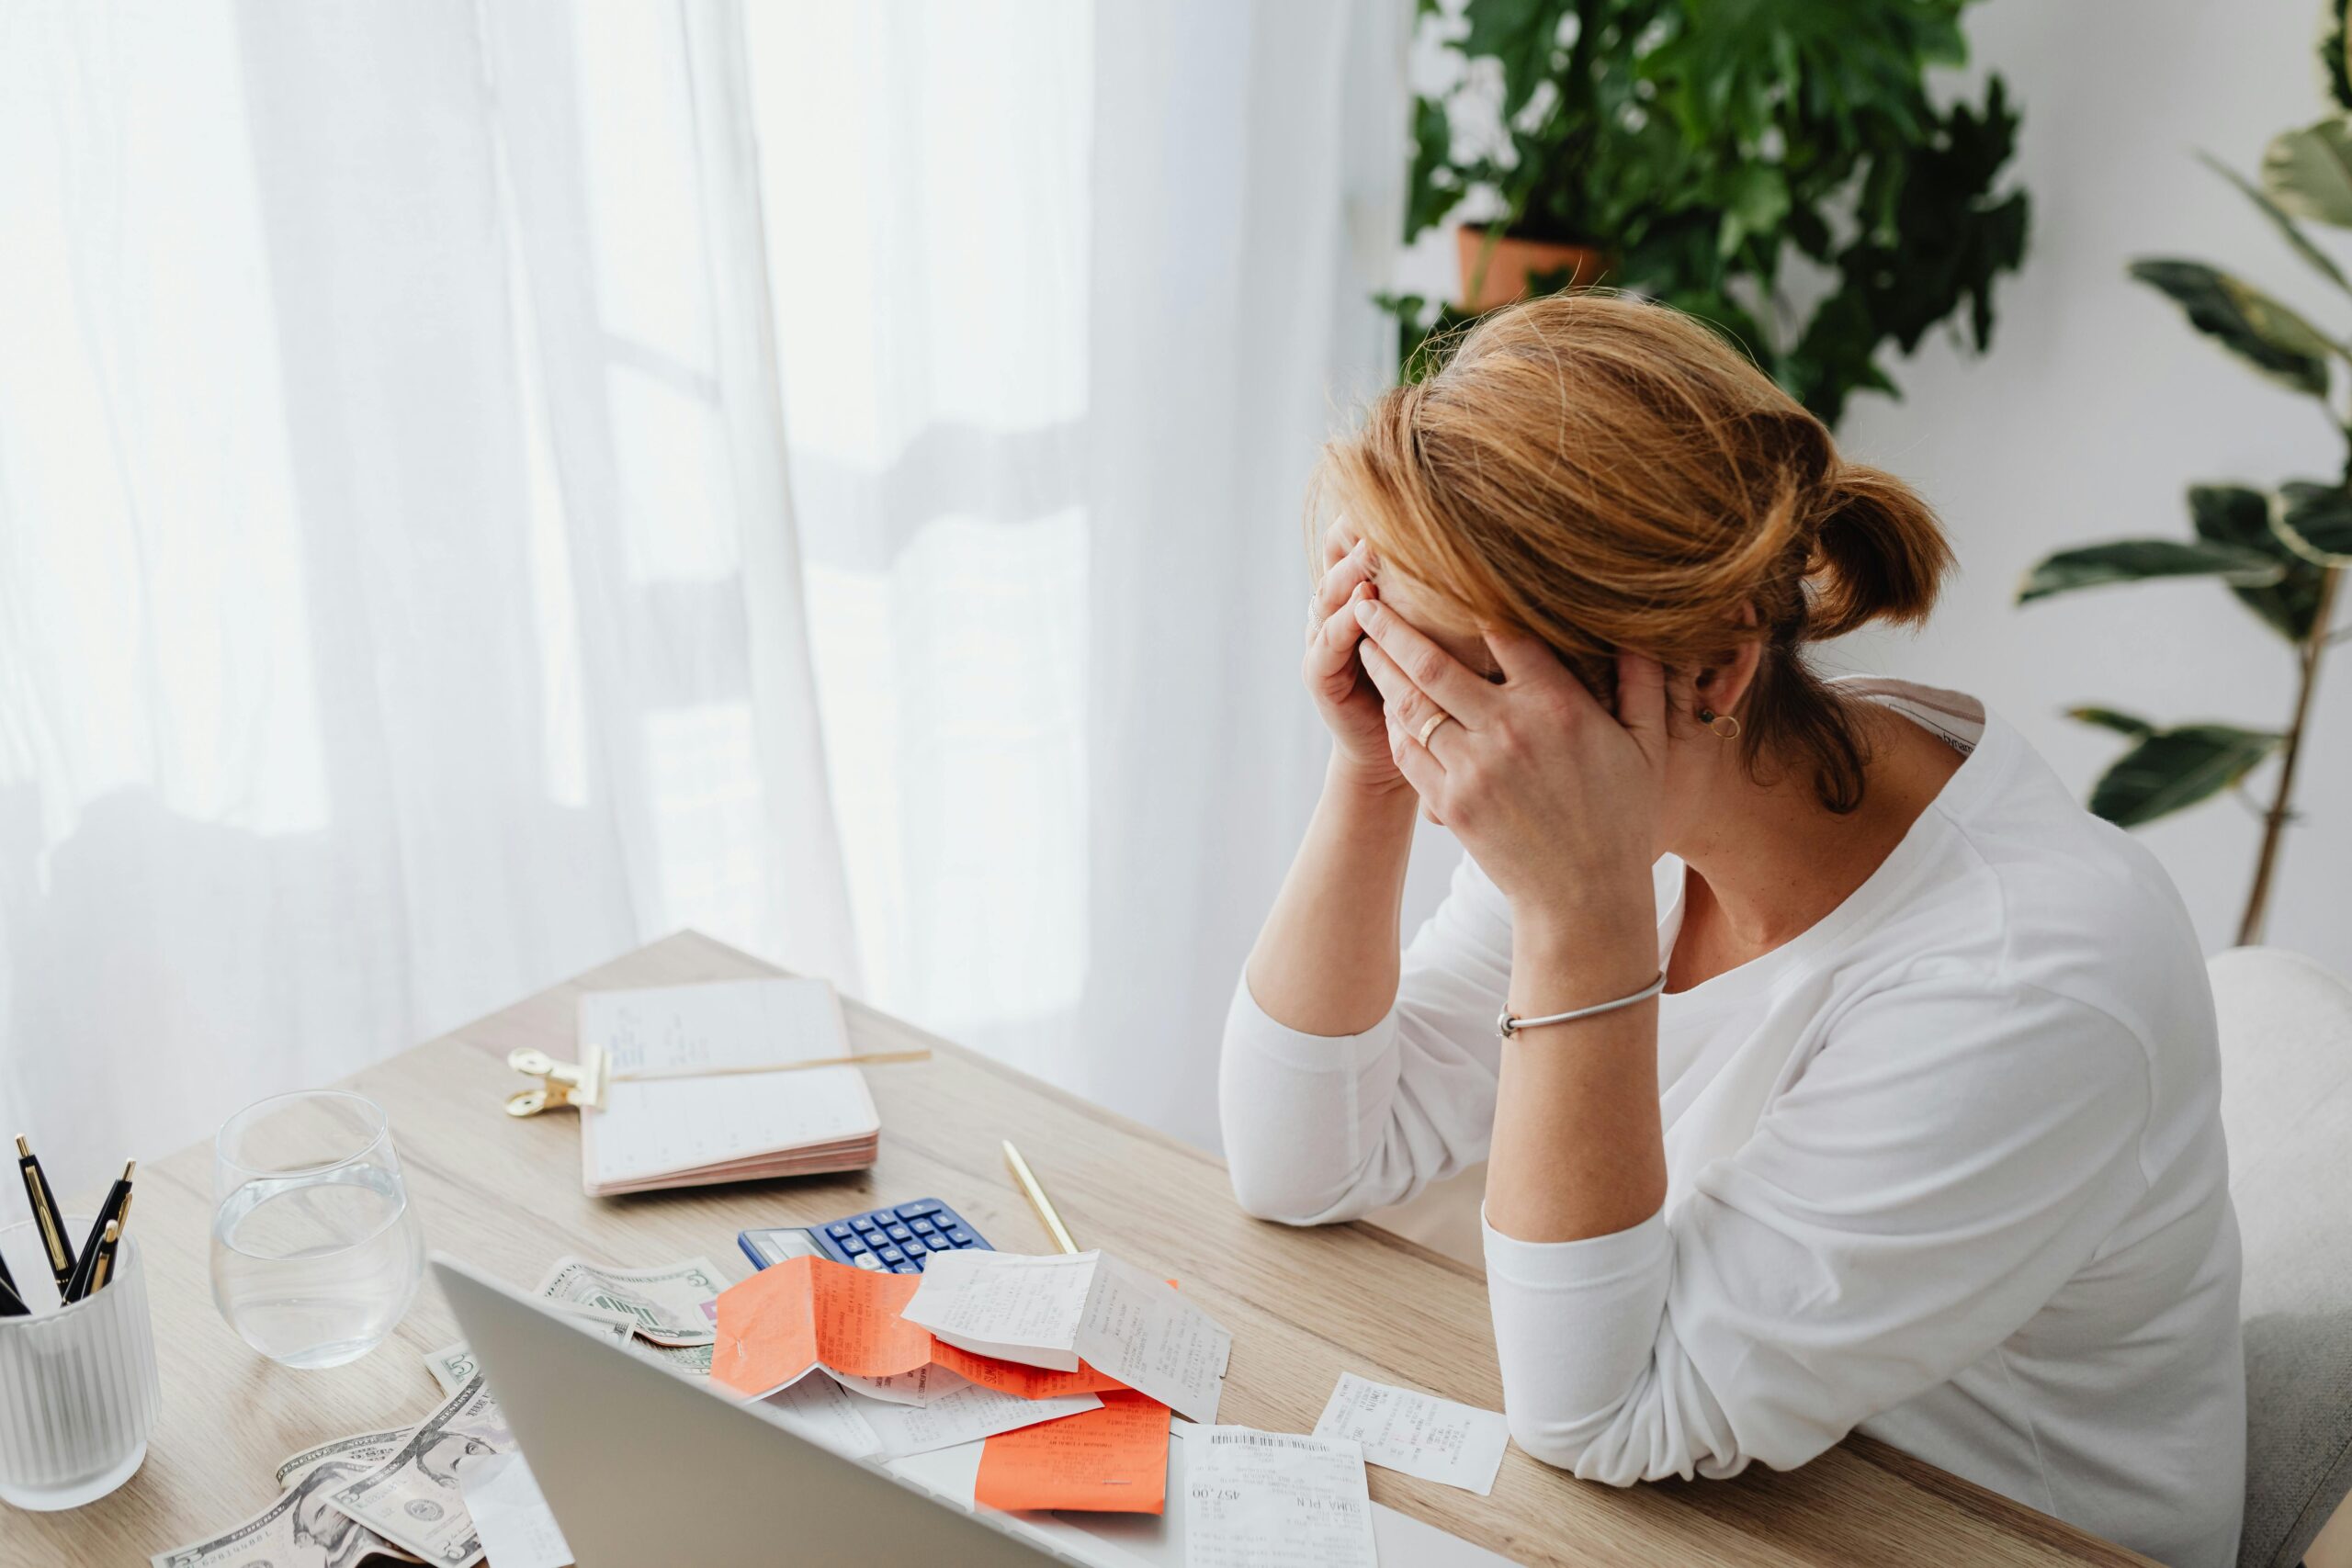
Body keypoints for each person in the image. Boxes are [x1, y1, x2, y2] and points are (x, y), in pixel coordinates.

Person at [1221, 292, 2244, 1567]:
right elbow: (1302, 1163)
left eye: (1455, 686)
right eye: (1388, 662)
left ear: (1711, 670)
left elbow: (1599, 1412)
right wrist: (1367, 776)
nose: (1444, 749)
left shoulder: (2028, 977)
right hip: (1728, 1499)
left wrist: (1580, 918)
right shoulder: (1639, 786)